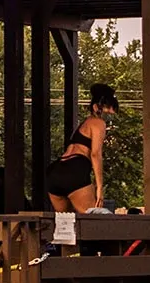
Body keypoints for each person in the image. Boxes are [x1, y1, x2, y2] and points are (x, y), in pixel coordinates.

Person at [44, 85, 118, 214]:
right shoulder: (98, 123)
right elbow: (95, 154)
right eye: (107, 112)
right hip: (74, 170)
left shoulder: (83, 125)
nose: (109, 116)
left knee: (66, 222)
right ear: (97, 107)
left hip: (55, 172)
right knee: (92, 219)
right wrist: (99, 187)